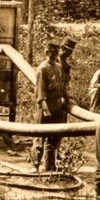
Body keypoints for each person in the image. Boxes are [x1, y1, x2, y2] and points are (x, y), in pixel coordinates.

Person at [32, 42, 69, 172]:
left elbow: (62, 87)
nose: (54, 55)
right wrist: (46, 109)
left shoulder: (59, 67)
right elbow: (40, 91)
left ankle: (50, 165)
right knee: (40, 136)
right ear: (47, 53)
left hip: (58, 106)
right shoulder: (42, 69)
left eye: (56, 52)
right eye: (52, 52)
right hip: (46, 107)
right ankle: (36, 165)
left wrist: (67, 100)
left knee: (54, 137)